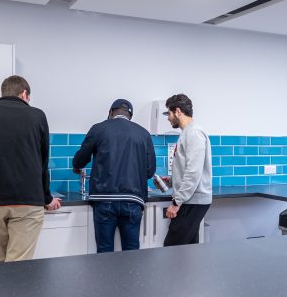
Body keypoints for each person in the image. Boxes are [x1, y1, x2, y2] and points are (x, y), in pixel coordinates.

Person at [0, 75, 61, 264]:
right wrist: (47, 198)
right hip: (28, 203)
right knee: (18, 268)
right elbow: (42, 161)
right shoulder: (37, 115)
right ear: (24, 94)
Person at [72, 99, 157, 253]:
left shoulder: (98, 129)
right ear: (130, 116)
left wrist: (77, 166)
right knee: (132, 252)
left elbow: (81, 158)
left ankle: (106, 278)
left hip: (104, 200)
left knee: (104, 251)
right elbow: (150, 171)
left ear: (110, 113)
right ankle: (132, 278)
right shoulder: (144, 134)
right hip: (133, 200)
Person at [159, 94, 212, 246]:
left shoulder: (193, 133)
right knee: (188, 250)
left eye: (168, 113)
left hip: (192, 201)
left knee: (172, 248)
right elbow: (189, 169)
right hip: (191, 199)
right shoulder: (188, 133)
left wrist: (176, 203)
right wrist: (171, 180)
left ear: (178, 111)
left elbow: (193, 172)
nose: (168, 118)